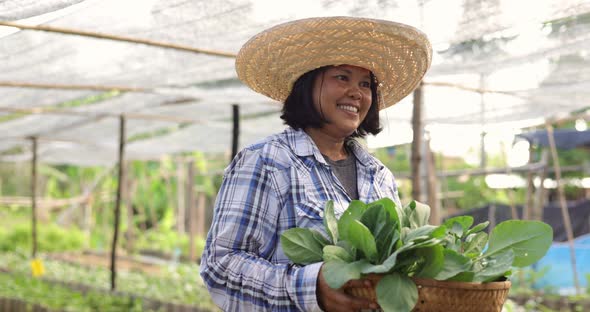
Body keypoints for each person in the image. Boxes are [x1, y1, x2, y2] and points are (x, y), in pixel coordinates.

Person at [200, 16, 431, 311]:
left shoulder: (379, 175)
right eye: (342, 77)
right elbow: (221, 266)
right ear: (307, 86)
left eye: (365, 84)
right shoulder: (268, 161)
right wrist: (310, 287)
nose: (356, 92)